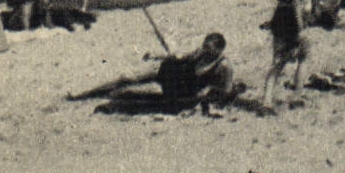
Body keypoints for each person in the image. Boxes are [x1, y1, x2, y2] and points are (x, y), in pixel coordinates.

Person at [68, 33, 240, 113]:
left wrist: (207, 97)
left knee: (136, 96)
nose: (205, 50)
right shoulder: (200, 52)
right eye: (204, 46)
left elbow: (225, 91)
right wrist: (157, 56)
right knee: (126, 78)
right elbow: (180, 57)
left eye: (209, 49)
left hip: (186, 92)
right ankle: (85, 93)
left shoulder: (224, 66)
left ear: (219, 50)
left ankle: (109, 98)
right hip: (174, 75)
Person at [261, 0, 310, 112]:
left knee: (277, 61)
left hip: (279, 14)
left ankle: (267, 101)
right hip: (291, 16)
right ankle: (296, 97)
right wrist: (300, 26)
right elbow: (296, 2)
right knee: (303, 56)